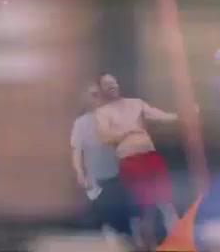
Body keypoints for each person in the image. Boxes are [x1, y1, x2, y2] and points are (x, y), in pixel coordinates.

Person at [94, 73, 180, 250]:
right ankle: (142, 239)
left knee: (164, 198)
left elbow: (159, 115)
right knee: (142, 202)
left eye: (113, 83)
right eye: (106, 84)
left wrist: (179, 116)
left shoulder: (136, 104)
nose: (111, 87)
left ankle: (174, 234)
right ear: (102, 89)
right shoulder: (103, 113)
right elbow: (104, 137)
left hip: (150, 155)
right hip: (130, 160)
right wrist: (127, 132)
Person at [70, 83, 135, 245]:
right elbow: (77, 150)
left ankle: (119, 234)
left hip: (114, 174)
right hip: (95, 175)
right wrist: (80, 173)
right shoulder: (82, 123)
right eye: (93, 95)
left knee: (118, 209)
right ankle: (107, 234)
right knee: (100, 211)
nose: (97, 99)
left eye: (99, 95)